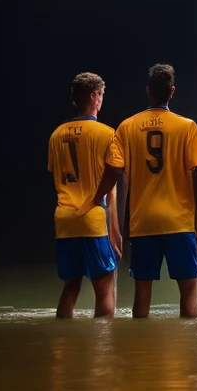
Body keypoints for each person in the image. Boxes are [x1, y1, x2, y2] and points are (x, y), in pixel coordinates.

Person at [86, 64, 197, 318]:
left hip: (144, 225)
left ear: (148, 91)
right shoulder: (187, 126)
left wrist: (96, 200)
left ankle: (141, 353)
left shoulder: (127, 127)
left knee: (141, 299)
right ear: (172, 92)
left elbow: (114, 172)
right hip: (180, 223)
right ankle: (189, 352)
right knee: (189, 295)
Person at [48, 72, 124, 319]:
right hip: (91, 218)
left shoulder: (56, 134)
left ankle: (63, 344)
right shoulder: (106, 133)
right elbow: (113, 175)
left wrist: (114, 232)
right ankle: (102, 350)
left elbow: (56, 177)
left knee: (70, 286)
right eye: (101, 94)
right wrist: (95, 204)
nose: (102, 99)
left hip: (64, 218)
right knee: (104, 288)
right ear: (93, 96)